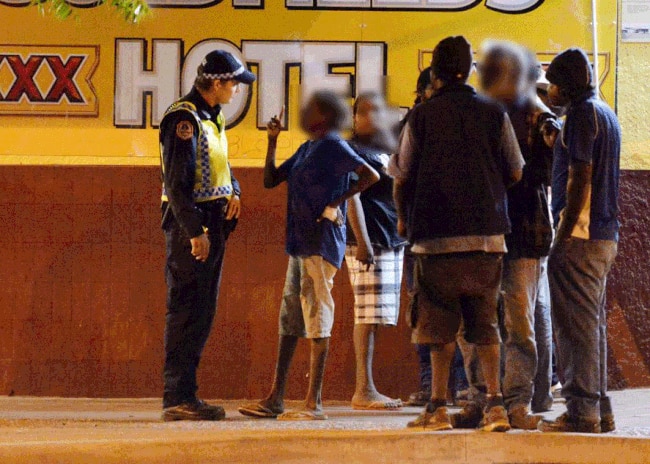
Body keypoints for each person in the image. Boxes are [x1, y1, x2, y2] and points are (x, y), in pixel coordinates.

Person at [389, 35, 524, 432]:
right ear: (471, 70)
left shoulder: (422, 116)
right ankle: (495, 406)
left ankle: (436, 408)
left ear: (435, 73)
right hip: (486, 240)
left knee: (438, 326)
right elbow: (515, 169)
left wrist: (402, 218)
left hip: (435, 240)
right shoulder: (494, 113)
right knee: (486, 324)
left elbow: (401, 175)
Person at [238, 90, 379, 420]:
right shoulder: (307, 148)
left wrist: (336, 202)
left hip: (321, 242)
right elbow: (271, 179)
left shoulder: (333, 145)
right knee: (290, 317)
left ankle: (313, 402)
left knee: (317, 314)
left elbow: (370, 176)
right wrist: (272, 140)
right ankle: (277, 397)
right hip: (299, 243)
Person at [159, 50, 255, 421]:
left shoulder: (211, 116)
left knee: (202, 311)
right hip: (191, 226)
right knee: (186, 310)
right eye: (233, 83)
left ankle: (187, 394)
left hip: (211, 224)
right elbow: (176, 182)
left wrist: (235, 190)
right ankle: (177, 396)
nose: (236, 90)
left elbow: (218, 164)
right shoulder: (183, 119)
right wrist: (195, 231)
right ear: (216, 82)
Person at [473, 40, 558, 429]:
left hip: (524, 233)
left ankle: (518, 401)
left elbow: (549, 172)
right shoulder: (486, 115)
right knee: (484, 321)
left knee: (520, 323)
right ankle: (486, 398)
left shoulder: (540, 119)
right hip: (492, 231)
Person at [538, 48, 621, 433]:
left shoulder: (582, 115)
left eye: (553, 84)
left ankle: (581, 410)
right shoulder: (604, 112)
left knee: (574, 327)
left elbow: (581, 176)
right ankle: (598, 408)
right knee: (591, 323)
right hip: (603, 235)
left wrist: (562, 234)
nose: (550, 91)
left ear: (567, 84)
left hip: (581, 236)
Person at [344, 93, 405, 410]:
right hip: (368, 241)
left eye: (377, 112)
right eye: (364, 112)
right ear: (354, 118)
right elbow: (350, 196)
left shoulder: (383, 148)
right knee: (367, 314)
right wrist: (362, 240)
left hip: (389, 239)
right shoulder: (353, 149)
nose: (371, 118)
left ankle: (367, 387)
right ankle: (363, 389)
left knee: (377, 315)